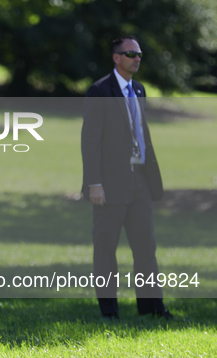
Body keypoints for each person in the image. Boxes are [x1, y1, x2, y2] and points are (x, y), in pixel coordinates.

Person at [81, 36, 172, 320]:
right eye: (131, 53)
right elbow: (90, 141)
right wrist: (94, 183)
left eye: (139, 53)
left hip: (140, 180)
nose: (137, 58)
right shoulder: (99, 91)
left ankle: (152, 308)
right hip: (109, 184)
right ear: (116, 58)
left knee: (146, 247)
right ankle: (110, 311)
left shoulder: (140, 90)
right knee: (106, 250)